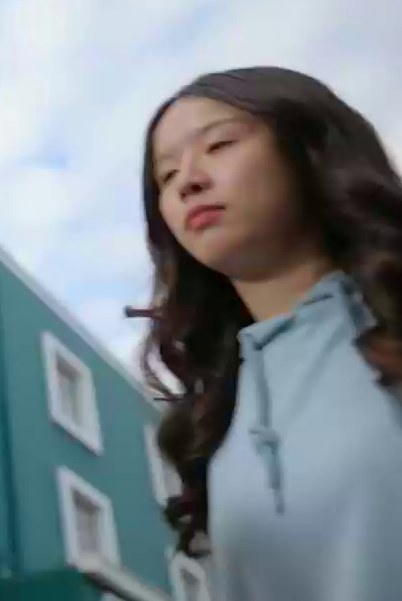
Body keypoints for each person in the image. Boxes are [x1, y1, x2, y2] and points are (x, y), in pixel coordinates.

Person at [135, 66, 402, 601]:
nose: (189, 180)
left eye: (219, 145)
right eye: (166, 176)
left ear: (308, 146)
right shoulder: (214, 418)